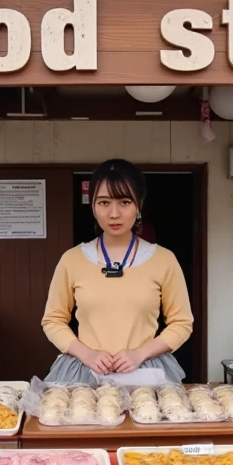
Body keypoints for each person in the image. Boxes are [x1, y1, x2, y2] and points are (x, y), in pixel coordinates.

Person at [42, 159, 193, 383]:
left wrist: (140, 353)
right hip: (85, 372)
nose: (114, 213)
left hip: (145, 371)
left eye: (124, 202)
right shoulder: (71, 260)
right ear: (92, 206)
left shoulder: (164, 260)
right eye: (104, 202)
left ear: (139, 205)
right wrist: (87, 354)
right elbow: (53, 320)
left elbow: (182, 323)